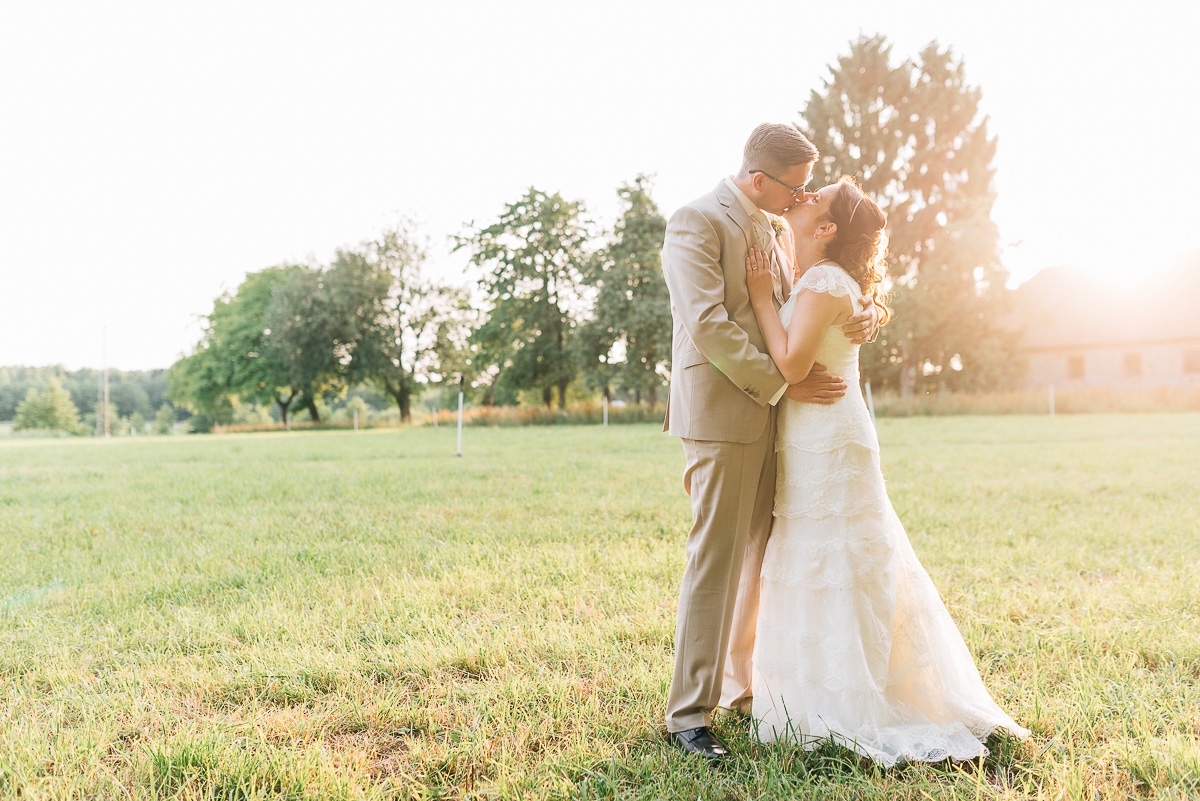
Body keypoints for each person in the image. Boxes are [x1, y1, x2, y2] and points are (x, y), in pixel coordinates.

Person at [743, 175, 1030, 765]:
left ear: (826, 229)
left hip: (827, 432)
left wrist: (757, 298)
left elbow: (794, 364)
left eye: (816, 196)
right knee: (824, 550)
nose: (805, 194)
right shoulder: (816, 272)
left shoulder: (823, 279)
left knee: (838, 551)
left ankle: (851, 696)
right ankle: (822, 685)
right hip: (818, 430)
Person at [659, 123, 883, 761]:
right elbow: (707, 325)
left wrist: (863, 310)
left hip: (782, 425)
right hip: (726, 415)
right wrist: (786, 383)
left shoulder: (777, 228)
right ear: (760, 179)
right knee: (716, 562)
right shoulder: (696, 221)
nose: (802, 197)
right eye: (796, 187)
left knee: (761, 559)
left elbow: (813, 295)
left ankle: (740, 688)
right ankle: (687, 717)